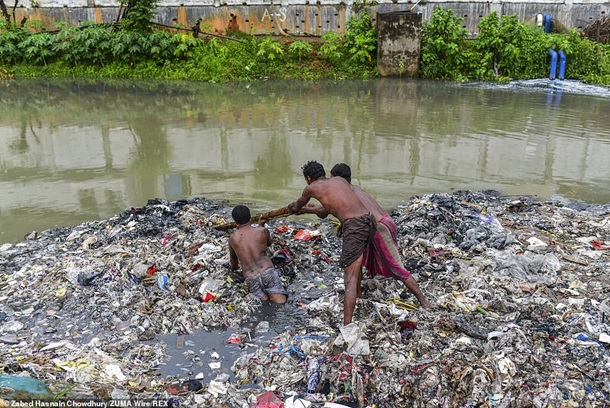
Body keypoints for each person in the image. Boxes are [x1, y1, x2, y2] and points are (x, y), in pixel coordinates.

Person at [330, 163, 431, 309]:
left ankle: (424, 302)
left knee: (396, 268)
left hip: (380, 227)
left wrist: (299, 207)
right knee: (356, 262)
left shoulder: (347, 193)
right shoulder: (354, 190)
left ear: (338, 180)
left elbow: (325, 209)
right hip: (376, 224)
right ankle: (358, 297)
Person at [287, 161, 376, 325]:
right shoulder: (339, 181)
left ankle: (347, 325)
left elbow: (297, 206)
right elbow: (323, 213)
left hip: (354, 226)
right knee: (356, 267)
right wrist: (308, 209)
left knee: (349, 276)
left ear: (308, 178)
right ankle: (359, 299)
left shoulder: (311, 188)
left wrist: (294, 208)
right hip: (369, 221)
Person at [228, 205, 288, 304]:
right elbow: (269, 243)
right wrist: (261, 226)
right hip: (267, 272)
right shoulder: (262, 231)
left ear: (235, 222)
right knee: (280, 302)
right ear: (250, 217)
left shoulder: (233, 238)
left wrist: (235, 270)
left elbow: (234, 262)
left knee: (263, 303)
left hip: (251, 277)